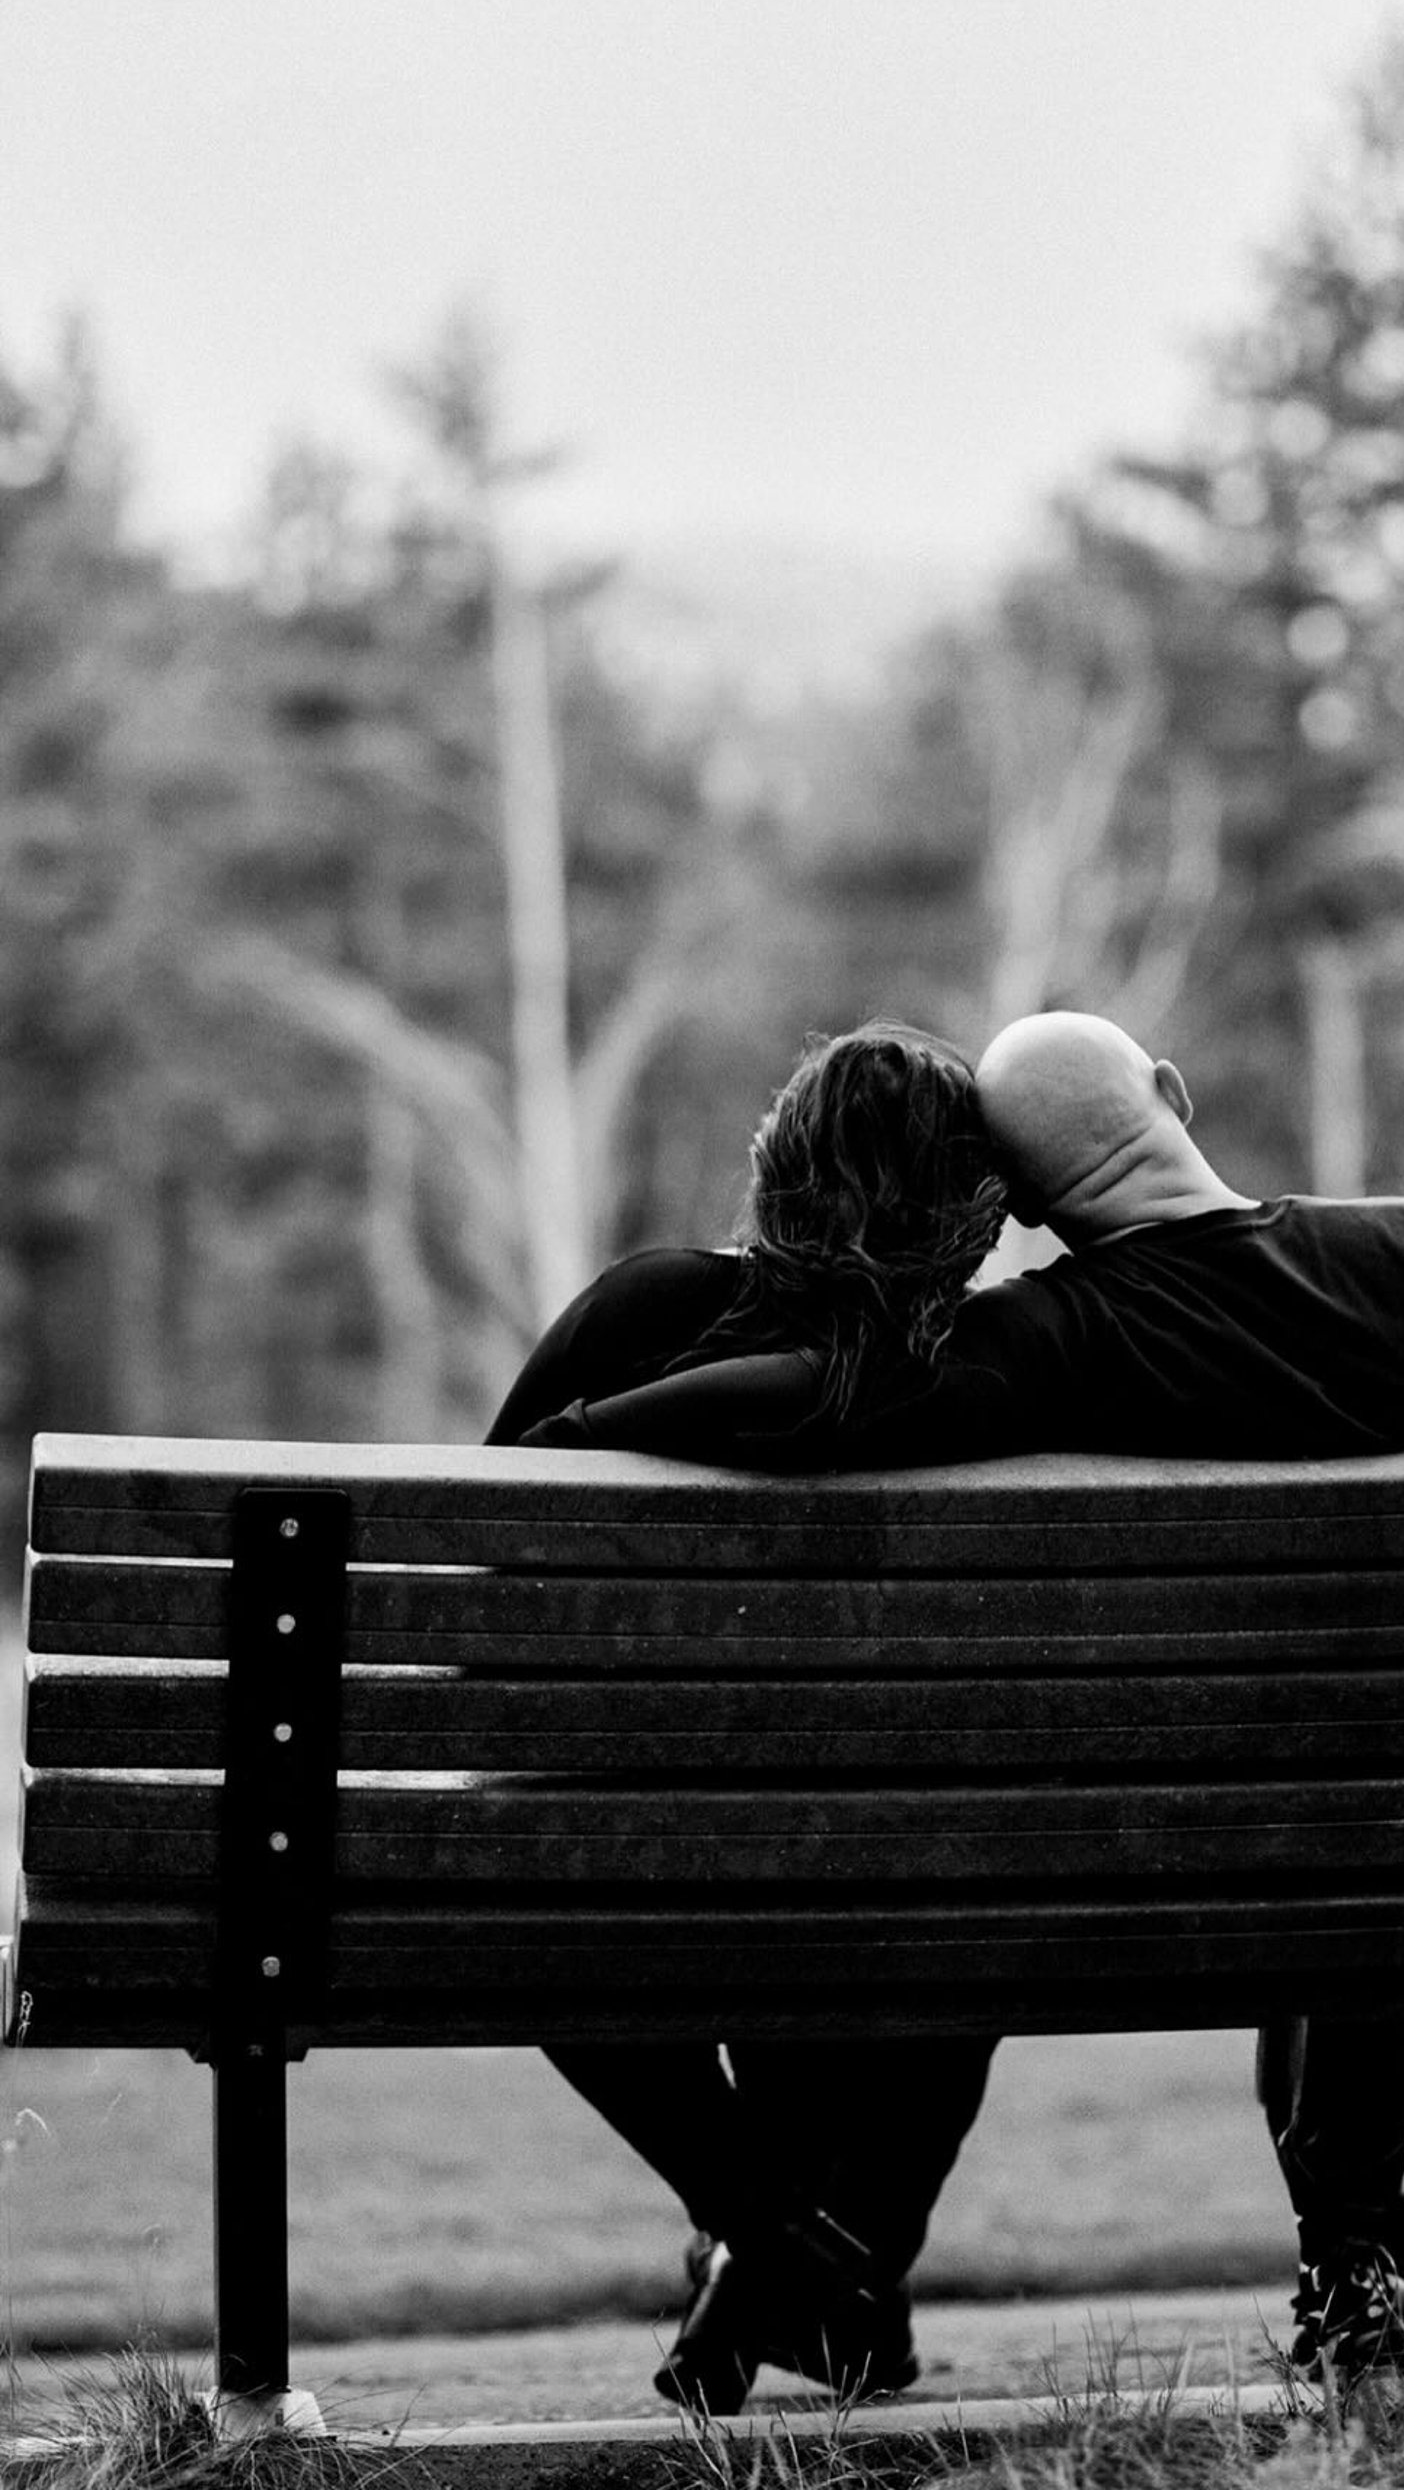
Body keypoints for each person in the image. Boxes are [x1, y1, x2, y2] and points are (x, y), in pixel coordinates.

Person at [514, 1010, 1404, 2387]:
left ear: (1020, 1205)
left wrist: (598, 1433)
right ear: (1172, 1091)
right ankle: (1357, 2286)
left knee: (1315, 1811)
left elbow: (832, 1398)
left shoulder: (1058, 1339)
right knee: (1360, 1804)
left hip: (1221, 1850)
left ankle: (792, 2253)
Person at [486, 1019, 1008, 2414]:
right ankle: (831, 2272)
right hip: (911, 1879)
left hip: (639, 1865)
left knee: (553, 1879)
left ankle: (772, 2238)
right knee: (957, 1889)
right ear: (976, 1211)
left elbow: (480, 1590)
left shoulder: (640, 1314)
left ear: (773, 1166)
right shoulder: (1000, 1378)